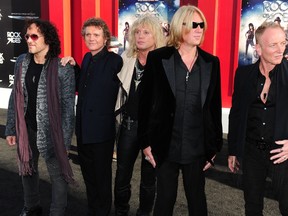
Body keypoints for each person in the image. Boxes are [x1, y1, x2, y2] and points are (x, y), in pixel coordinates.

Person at [138, 5, 223, 216]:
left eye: (201, 25)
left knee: (197, 201)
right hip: (165, 144)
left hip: (197, 148)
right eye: (194, 24)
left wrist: (214, 148)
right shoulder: (158, 58)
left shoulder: (211, 62)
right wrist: (145, 142)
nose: (199, 29)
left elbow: (214, 107)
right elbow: (145, 102)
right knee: (165, 201)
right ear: (179, 26)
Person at [5, 19, 75, 216]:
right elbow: (15, 95)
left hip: (52, 132)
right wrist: (11, 127)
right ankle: (31, 206)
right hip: (27, 128)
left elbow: (68, 108)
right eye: (27, 36)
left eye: (34, 36)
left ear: (48, 40)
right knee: (27, 169)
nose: (29, 40)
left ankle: (57, 212)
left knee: (58, 175)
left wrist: (65, 142)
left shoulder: (62, 68)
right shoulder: (21, 61)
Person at [62, 18, 123, 216]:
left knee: (102, 179)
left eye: (96, 35)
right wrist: (74, 66)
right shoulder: (87, 58)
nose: (91, 38)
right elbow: (82, 85)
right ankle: (93, 211)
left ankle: (103, 212)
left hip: (102, 132)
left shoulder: (115, 61)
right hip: (83, 131)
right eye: (88, 34)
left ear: (105, 38)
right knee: (89, 177)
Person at [228, 21, 288, 216]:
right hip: (252, 151)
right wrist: (233, 150)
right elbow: (237, 114)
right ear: (258, 49)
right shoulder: (244, 74)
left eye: (283, 43)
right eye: (273, 45)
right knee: (252, 207)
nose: (281, 49)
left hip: (282, 152)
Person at [114, 15, 166, 216]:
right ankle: (120, 211)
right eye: (137, 32)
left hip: (153, 131)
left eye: (146, 32)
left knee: (149, 178)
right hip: (128, 126)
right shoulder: (126, 59)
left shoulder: (165, 62)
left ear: (156, 36)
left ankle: (144, 213)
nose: (140, 36)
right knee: (121, 175)